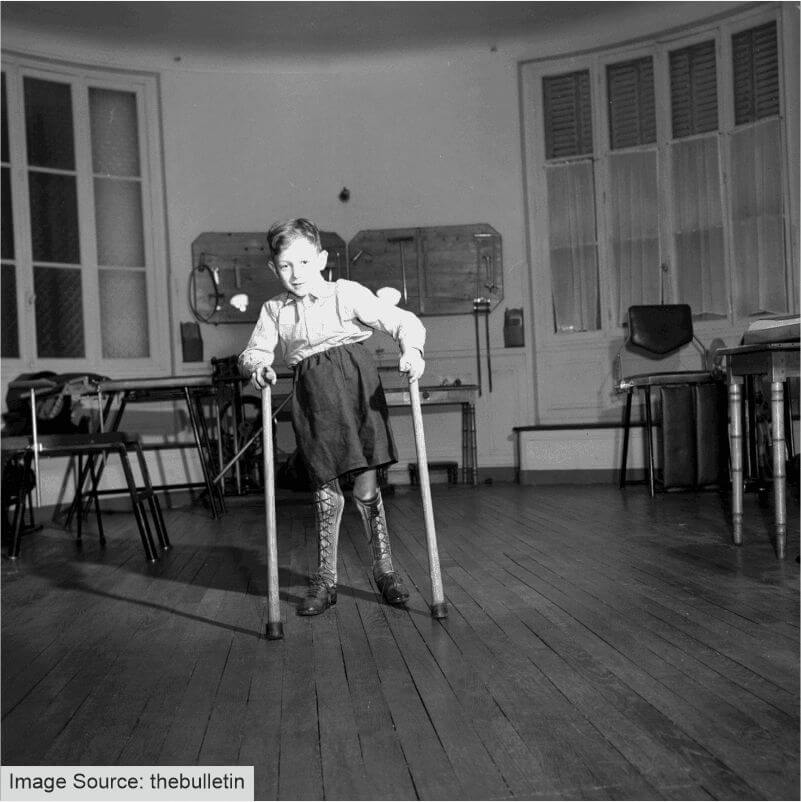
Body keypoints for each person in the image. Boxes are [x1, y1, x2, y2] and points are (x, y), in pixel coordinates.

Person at [239, 218, 426, 615]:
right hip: (314, 399)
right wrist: (258, 367)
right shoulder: (274, 310)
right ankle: (326, 581)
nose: (296, 274)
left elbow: (400, 321)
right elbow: (253, 351)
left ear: (322, 259)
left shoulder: (346, 293)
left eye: (304, 263)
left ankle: (385, 571)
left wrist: (412, 350)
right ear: (274, 268)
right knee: (325, 492)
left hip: (359, 391)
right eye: (286, 266)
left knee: (364, 488)